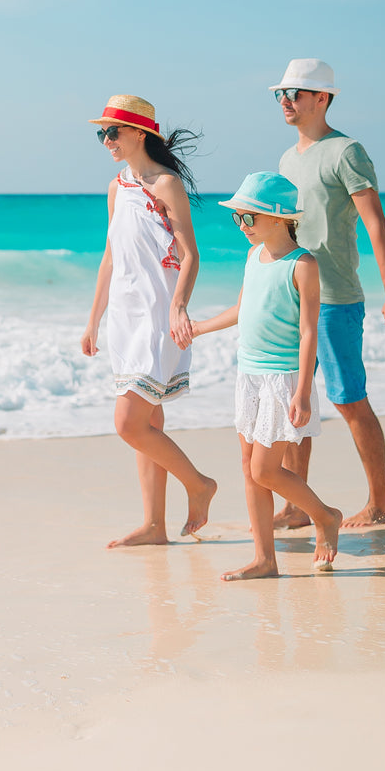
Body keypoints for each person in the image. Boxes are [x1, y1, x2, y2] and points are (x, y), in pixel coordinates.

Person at [270, 58, 385, 530]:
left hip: (336, 298)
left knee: (349, 400)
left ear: (322, 98)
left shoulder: (347, 151)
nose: (285, 101)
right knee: (294, 399)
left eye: (295, 93)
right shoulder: (287, 159)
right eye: (281, 94)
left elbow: (376, 223)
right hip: (293, 296)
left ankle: (380, 503)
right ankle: (295, 504)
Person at [81, 94, 217, 548]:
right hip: (123, 315)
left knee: (129, 424)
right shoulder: (117, 186)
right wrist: (93, 320)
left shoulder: (166, 184)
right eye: (102, 133)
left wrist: (179, 306)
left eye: (112, 132)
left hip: (157, 317)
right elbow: (109, 257)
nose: (106, 141)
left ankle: (199, 484)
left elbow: (190, 255)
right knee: (149, 424)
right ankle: (155, 526)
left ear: (140, 133)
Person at [192, 172, 342, 580]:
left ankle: (325, 516)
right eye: (238, 218)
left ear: (278, 218)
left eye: (248, 218)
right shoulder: (252, 257)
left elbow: (310, 330)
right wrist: (200, 326)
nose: (241, 226)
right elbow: (242, 310)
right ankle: (265, 560)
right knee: (248, 466)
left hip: (283, 378)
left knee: (265, 470)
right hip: (249, 375)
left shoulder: (303, 264)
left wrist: (304, 391)